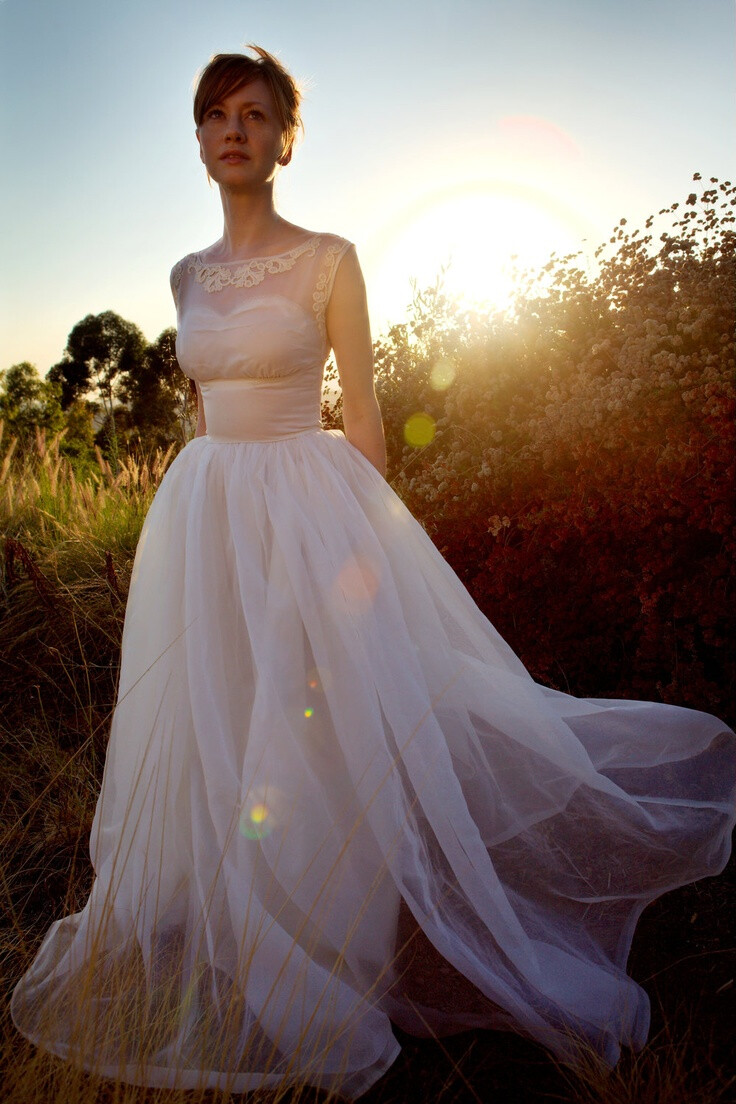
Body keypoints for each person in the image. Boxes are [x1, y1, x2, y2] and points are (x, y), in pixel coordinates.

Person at [10, 44, 736, 1101]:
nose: (232, 132)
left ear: (284, 138)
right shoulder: (185, 275)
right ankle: (236, 930)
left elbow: (363, 417)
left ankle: (327, 952)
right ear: (199, 137)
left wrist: (351, 555)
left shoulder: (331, 257)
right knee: (215, 713)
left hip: (308, 507)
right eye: (215, 115)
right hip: (207, 514)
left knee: (320, 729)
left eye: (254, 115)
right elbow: (205, 407)